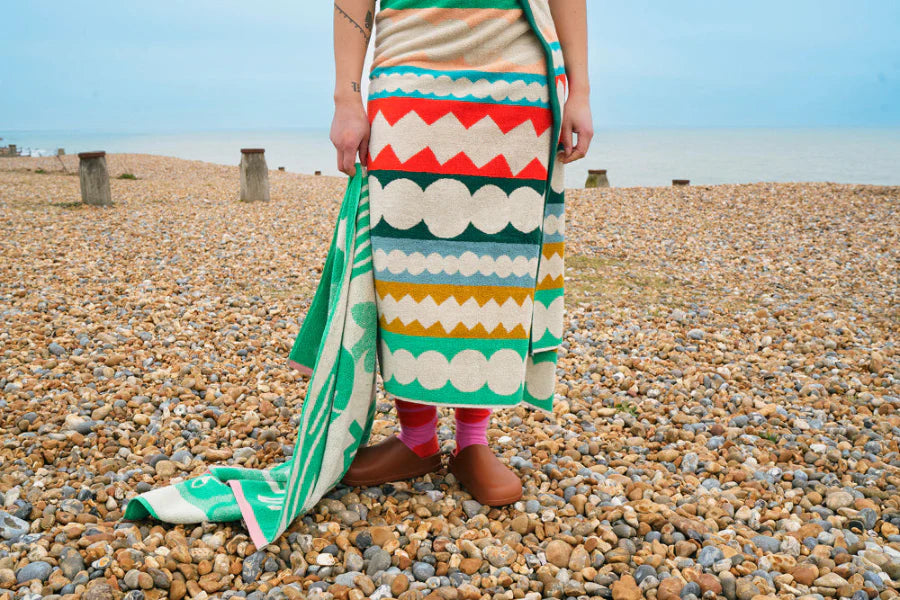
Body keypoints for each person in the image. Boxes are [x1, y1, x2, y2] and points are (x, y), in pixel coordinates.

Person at [329, 0, 592, 506]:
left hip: (517, 78)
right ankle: (417, 437)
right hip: (409, 67)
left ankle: (474, 441)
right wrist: (347, 97)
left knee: (496, 264)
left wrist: (580, 90)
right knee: (405, 265)